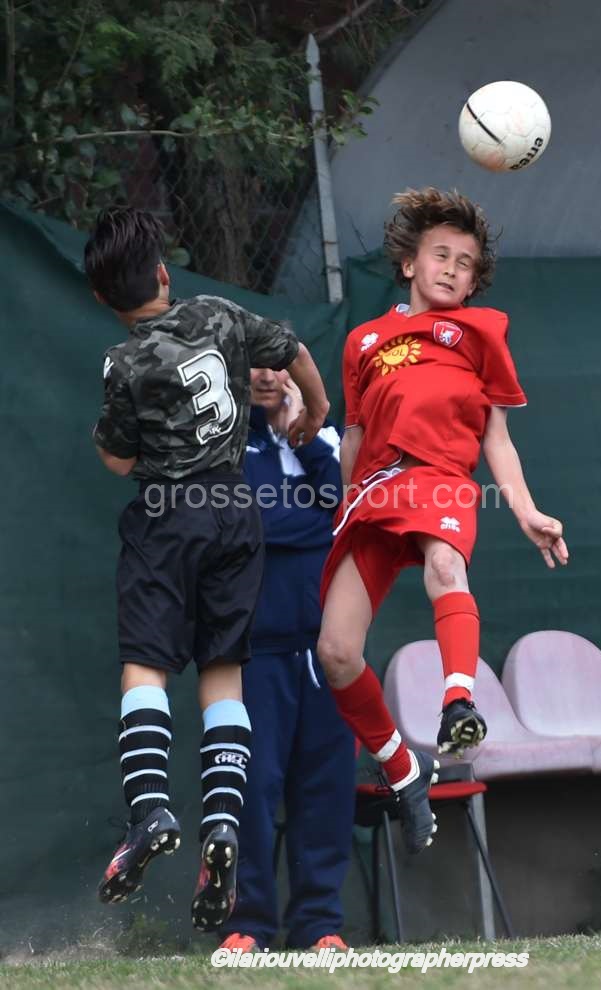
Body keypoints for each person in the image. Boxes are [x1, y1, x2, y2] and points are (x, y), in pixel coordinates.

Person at [85, 206, 329, 932]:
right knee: (223, 672)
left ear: (103, 298)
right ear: (164, 274)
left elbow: (118, 459)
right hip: (235, 514)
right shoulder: (220, 314)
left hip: (167, 519)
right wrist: (315, 408)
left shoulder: (123, 362)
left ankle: (150, 811)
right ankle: (221, 821)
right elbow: (292, 351)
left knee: (145, 666)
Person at [316, 188, 569, 855]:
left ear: (474, 280)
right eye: (441, 255)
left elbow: (497, 438)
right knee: (335, 652)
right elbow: (353, 434)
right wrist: (342, 505)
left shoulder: (482, 333)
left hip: (441, 479)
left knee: (445, 566)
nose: (452, 269)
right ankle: (402, 769)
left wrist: (524, 508)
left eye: (465, 263)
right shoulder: (363, 341)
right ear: (409, 264)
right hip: (374, 492)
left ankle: (458, 703)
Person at [217, 368, 354, 953]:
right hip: (255, 649)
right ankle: (246, 924)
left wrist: (305, 432)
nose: (267, 377)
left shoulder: (328, 438)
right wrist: (318, 523)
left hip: (330, 650)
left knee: (325, 790)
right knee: (250, 787)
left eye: (279, 366)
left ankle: (319, 924)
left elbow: (348, 509)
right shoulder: (226, 441)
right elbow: (246, 525)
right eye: (254, 366)